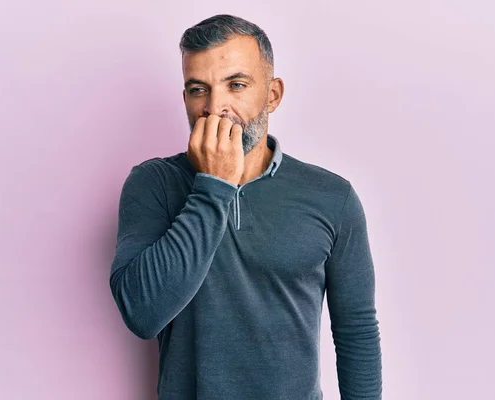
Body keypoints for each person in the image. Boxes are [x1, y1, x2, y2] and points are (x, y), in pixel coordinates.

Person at [109, 14, 382, 400]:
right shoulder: (153, 184)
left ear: (272, 94)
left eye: (236, 85)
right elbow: (141, 313)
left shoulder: (332, 196)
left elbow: (356, 331)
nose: (215, 107)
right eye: (198, 89)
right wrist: (213, 185)